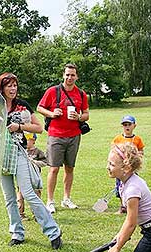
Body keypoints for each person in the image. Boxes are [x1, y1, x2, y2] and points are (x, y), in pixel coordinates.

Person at [0, 72, 62, 250]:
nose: (13, 88)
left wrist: (19, 127)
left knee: (28, 192)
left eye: (15, 85)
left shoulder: (22, 106)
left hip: (18, 152)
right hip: (1, 155)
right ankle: (17, 233)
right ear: (1, 87)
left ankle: (53, 231)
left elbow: (39, 128)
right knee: (9, 198)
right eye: (9, 85)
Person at [37, 63, 89, 212]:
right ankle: (50, 201)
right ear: (63, 75)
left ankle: (66, 198)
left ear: (76, 76)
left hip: (74, 136)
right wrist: (52, 114)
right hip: (56, 136)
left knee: (70, 168)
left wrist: (79, 117)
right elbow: (40, 108)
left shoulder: (81, 94)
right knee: (53, 169)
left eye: (72, 75)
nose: (69, 77)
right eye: (67, 74)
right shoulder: (53, 91)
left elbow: (86, 114)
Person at [112, 115, 145, 214]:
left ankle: (132, 206)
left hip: (132, 169)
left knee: (132, 186)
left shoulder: (137, 139)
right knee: (119, 187)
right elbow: (113, 152)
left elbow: (141, 152)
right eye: (125, 125)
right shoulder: (118, 139)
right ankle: (123, 206)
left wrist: (135, 157)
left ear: (134, 126)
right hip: (120, 168)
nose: (127, 127)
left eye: (129, 124)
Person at [17, 133, 47, 220]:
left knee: (36, 196)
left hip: (34, 179)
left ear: (33, 140)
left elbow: (45, 162)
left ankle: (37, 215)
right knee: (20, 196)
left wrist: (34, 162)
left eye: (26, 139)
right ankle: (20, 213)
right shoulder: (20, 151)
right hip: (22, 178)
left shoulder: (38, 152)